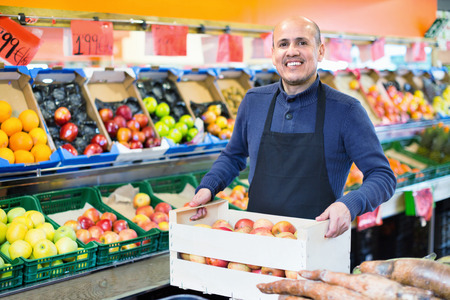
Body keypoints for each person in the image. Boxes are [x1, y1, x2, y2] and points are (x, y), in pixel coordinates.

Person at [189, 16, 397, 238]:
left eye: (302, 42)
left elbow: (382, 176)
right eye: (283, 44)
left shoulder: (347, 111)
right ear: (273, 54)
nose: (292, 51)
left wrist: (349, 204)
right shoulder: (254, 101)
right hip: (258, 242)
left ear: (320, 51)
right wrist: (208, 187)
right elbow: (233, 156)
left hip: (318, 244)